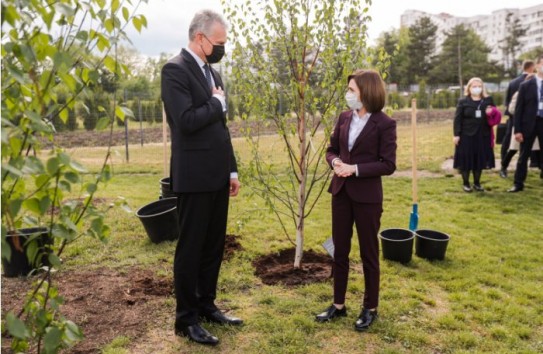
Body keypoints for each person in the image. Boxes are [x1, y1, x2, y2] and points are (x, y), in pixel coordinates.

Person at [161, 9, 242, 346]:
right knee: (191, 248)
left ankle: (207, 305)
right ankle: (186, 319)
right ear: (200, 38)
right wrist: (215, 104)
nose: (222, 47)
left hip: (217, 175)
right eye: (219, 42)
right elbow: (185, 121)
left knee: (213, 245)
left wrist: (232, 169)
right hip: (193, 177)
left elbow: (221, 129)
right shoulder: (174, 71)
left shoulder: (214, 74)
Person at [316, 69, 397, 332]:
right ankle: (338, 304)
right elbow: (331, 150)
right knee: (339, 250)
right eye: (348, 89)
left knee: (368, 254)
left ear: (367, 92)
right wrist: (337, 162)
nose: (348, 94)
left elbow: (388, 164)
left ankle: (370, 308)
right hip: (340, 193)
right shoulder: (343, 118)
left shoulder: (384, 124)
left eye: (352, 90)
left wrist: (355, 169)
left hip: (367, 198)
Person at [453, 77, 495, 192]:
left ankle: (477, 183)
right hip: (466, 135)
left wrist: (491, 113)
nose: (477, 88)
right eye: (474, 86)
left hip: (483, 135)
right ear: (469, 88)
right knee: (466, 159)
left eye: (479, 86)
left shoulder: (488, 100)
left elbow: (495, 116)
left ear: (482, 88)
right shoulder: (463, 101)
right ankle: (466, 183)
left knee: (479, 159)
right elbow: (457, 119)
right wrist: (456, 134)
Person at [508, 55, 543, 192]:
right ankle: (518, 183)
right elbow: (518, 110)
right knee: (523, 155)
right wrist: (517, 130)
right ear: (537, 65)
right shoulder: (526, 85)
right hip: (529, 124)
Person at [501, 60, 535, 178]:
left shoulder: (513, 82)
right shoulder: (525, 87)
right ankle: (504, 167)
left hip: (524, 122)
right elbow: (512, 106)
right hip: (521, 123)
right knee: (514, 147)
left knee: (513, 146)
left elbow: (507, 103)